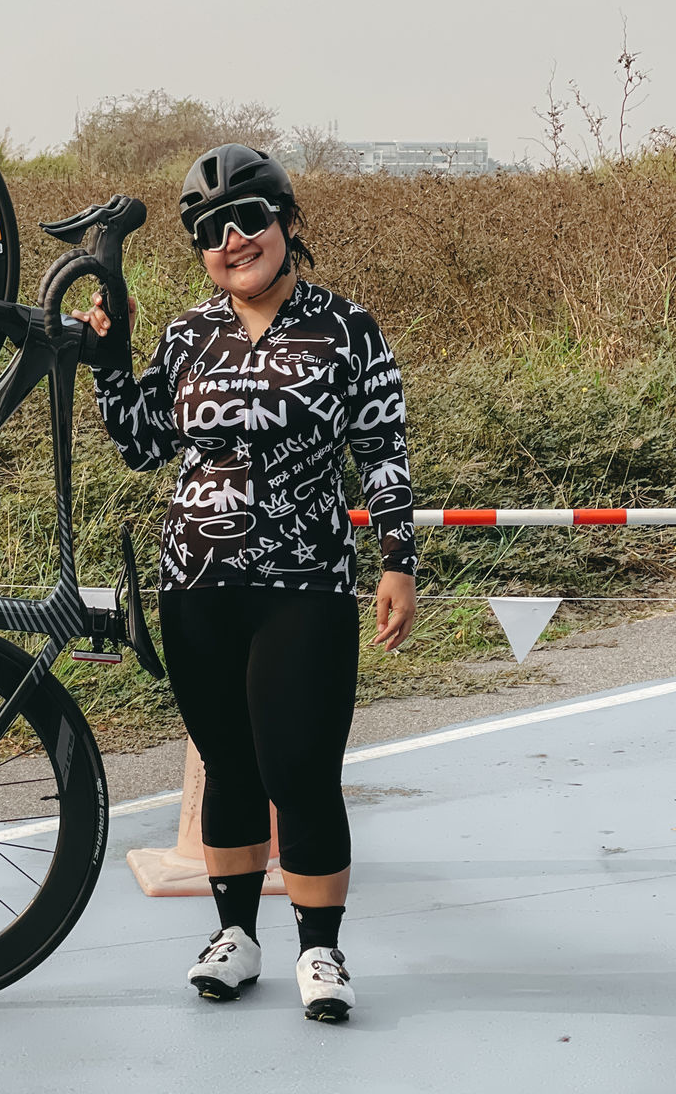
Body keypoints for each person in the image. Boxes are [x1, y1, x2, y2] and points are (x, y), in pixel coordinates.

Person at [71, 144, 417, 1024]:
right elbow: (143, 443)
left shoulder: (347, 327)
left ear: (286, 224)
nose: (233, 239)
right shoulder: (189, 333)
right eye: (210, 231)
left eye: (250, 218)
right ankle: (236, 937)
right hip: (197, 581)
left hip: (304, 584)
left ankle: (322, 950)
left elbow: (381, 451)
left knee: (300, 767)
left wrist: (397, 562)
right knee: (227, 765)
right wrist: (111, 356)